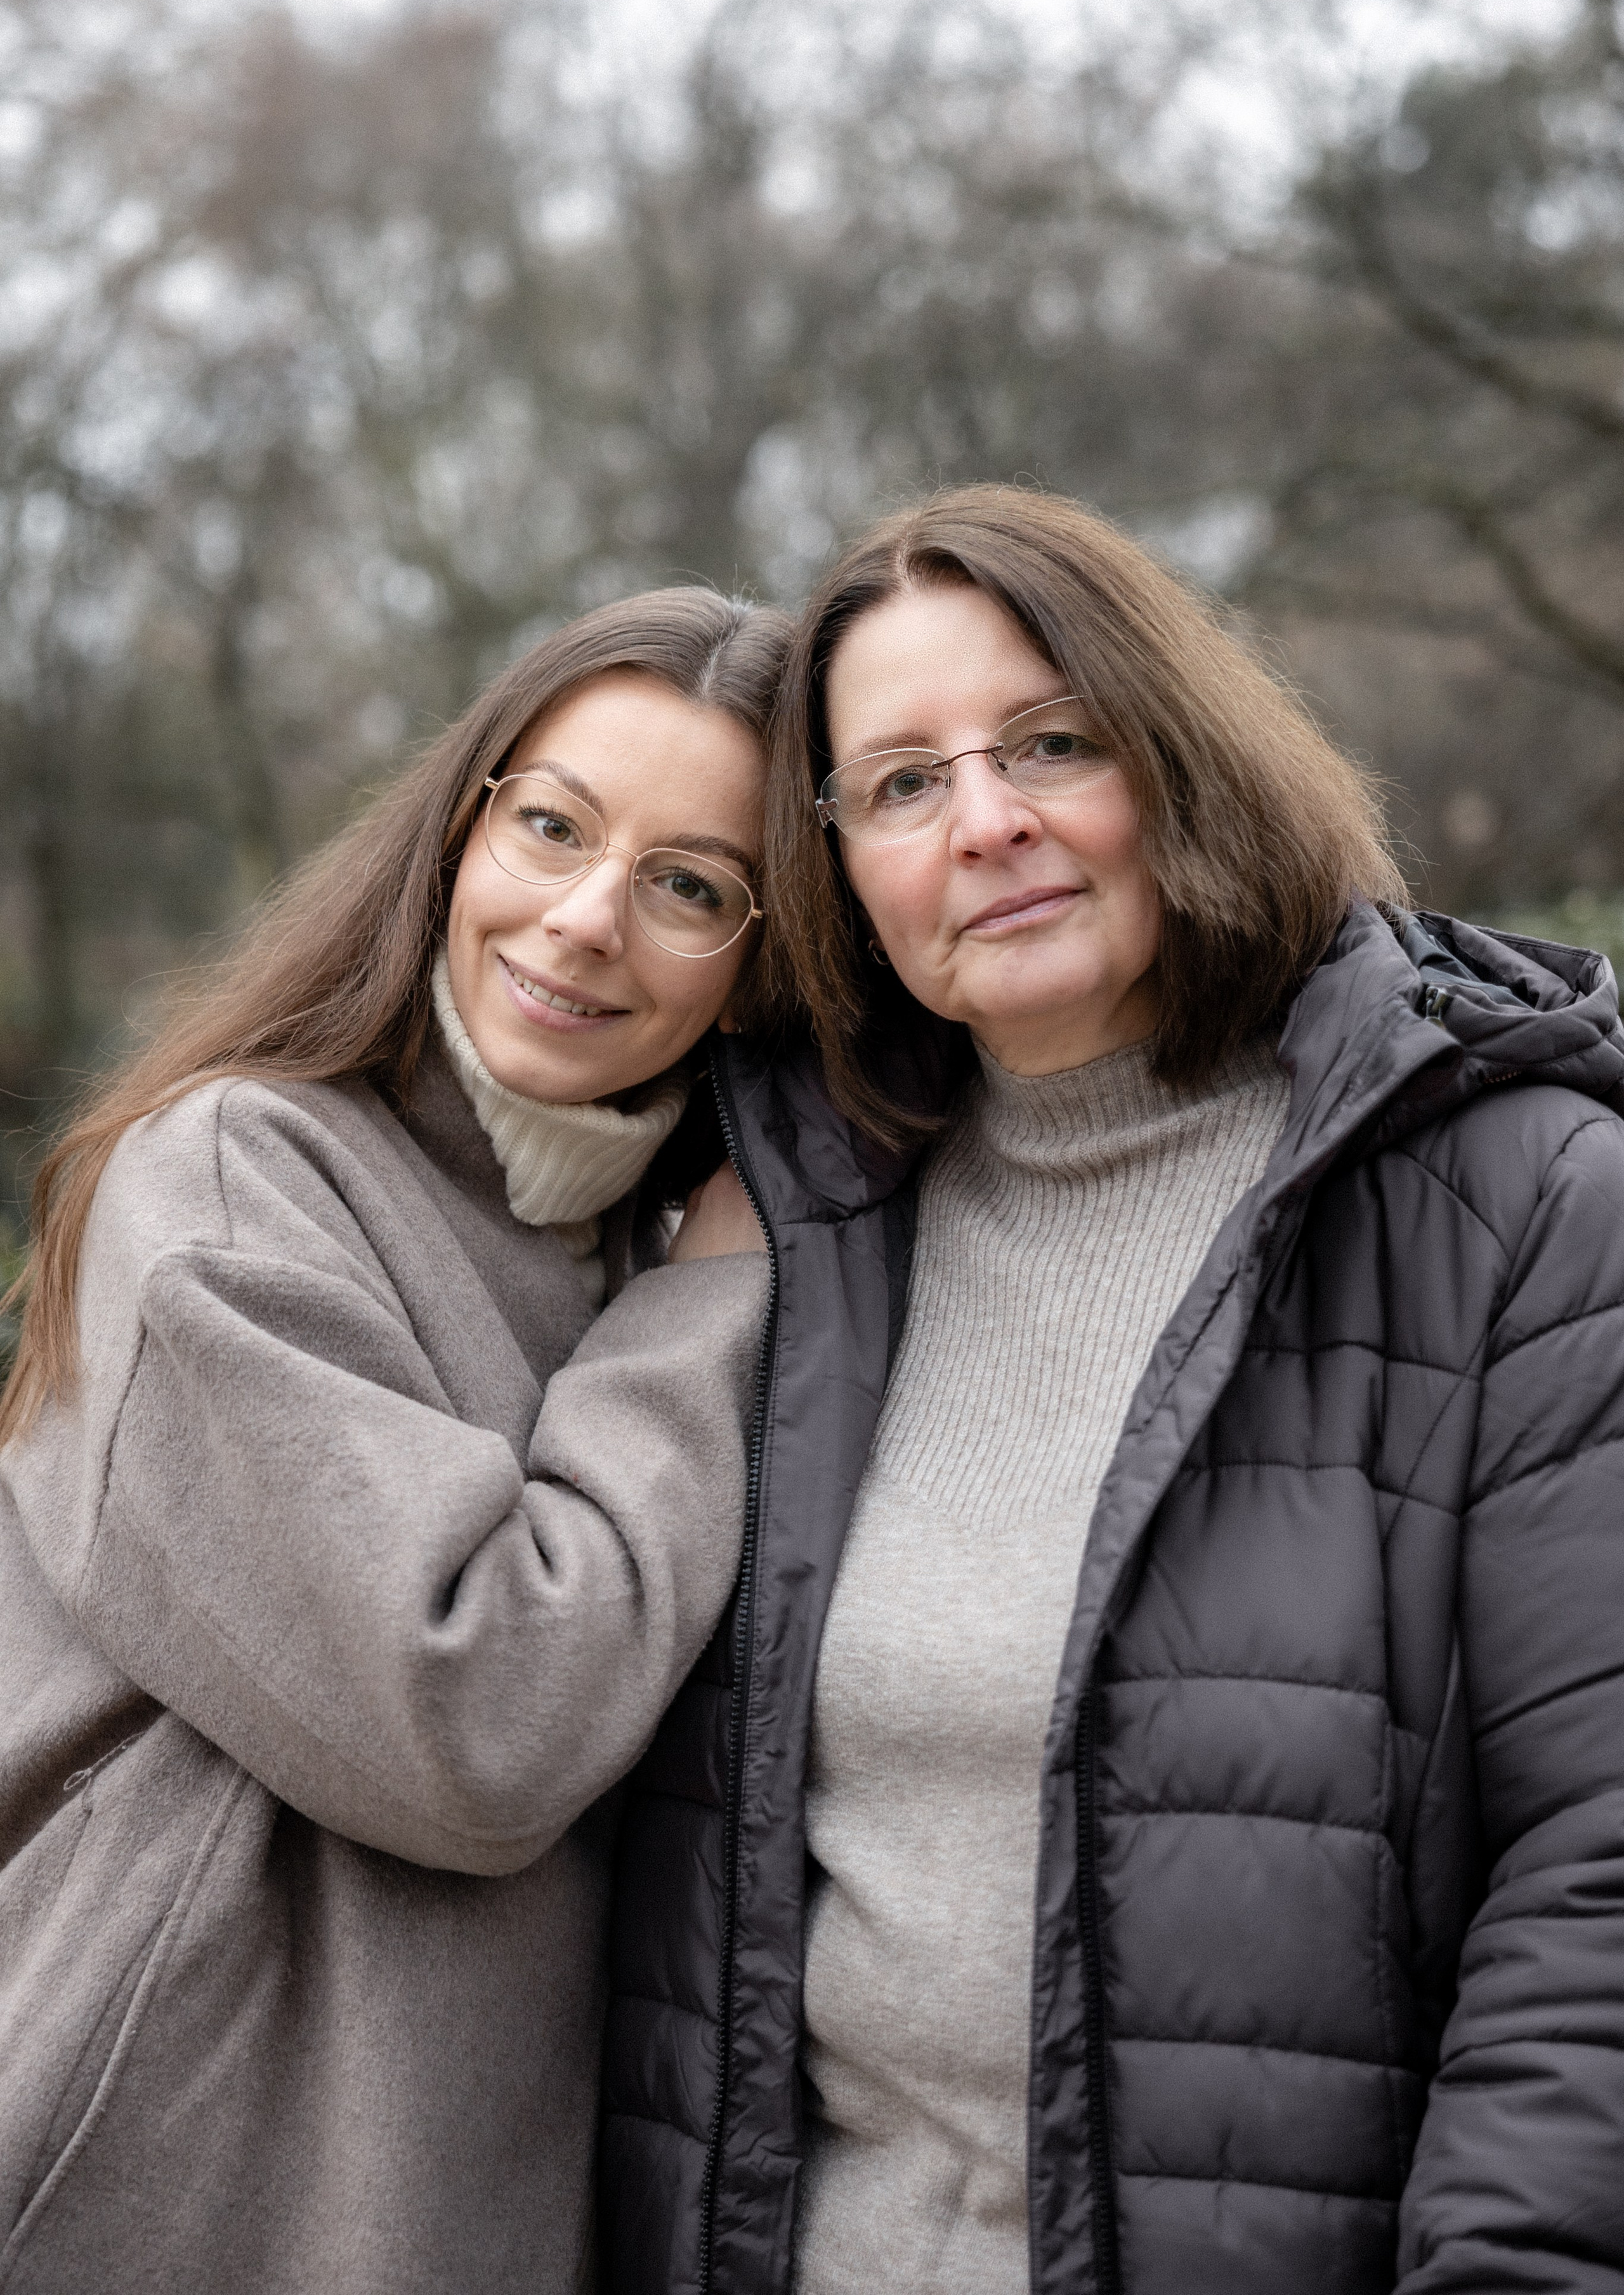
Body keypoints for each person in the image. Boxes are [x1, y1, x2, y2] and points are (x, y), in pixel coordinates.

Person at [599, 489, 1624, 2295]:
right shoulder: (781, 1222)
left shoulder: (1520, 1202)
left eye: (1049, 744)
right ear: (837, 864)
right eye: (903, 784)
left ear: (1176, 754)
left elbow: (1594, 1869)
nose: (987, 824)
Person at [0, 588, 775, 2295]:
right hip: (163, 2203)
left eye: (692, 887)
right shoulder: (236, 1180)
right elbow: (477, 1716)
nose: (586, 921)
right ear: (462, 823)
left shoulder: (641, 1248)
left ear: (761, 968)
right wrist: (700, 1325)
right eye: (555, 826)